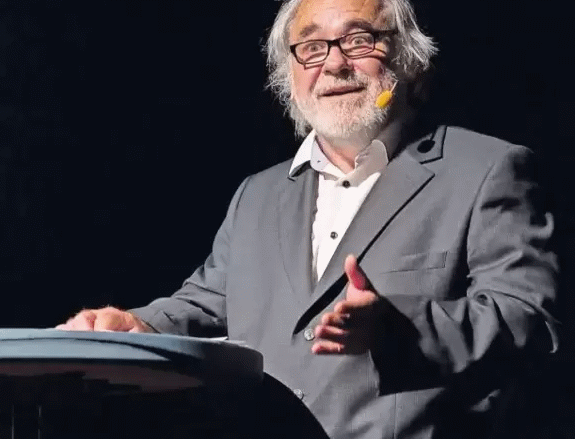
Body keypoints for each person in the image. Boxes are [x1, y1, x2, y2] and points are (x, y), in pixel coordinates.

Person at [57, 0, 560, 437]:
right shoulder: (257, 195)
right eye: (312, 48)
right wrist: (138, 324)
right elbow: (205, 302)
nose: (335, 63)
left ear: (409, 60)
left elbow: (531, 322)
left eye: (359, 40)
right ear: (289, 75)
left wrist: (401, 329)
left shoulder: (486, 170)